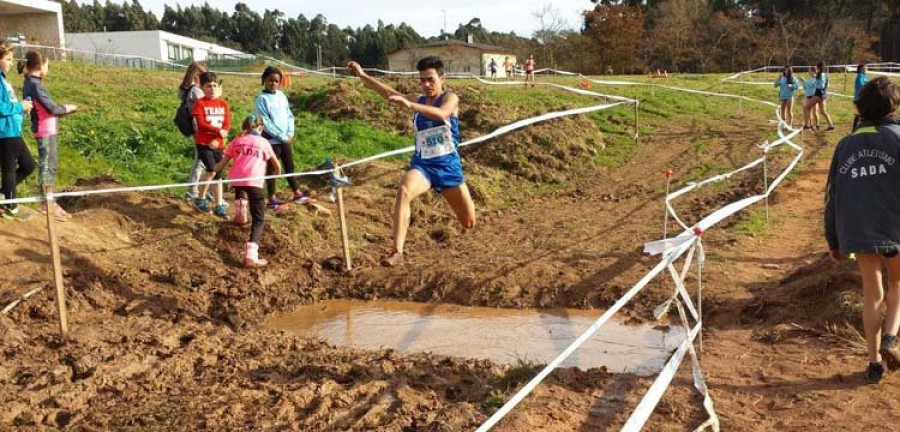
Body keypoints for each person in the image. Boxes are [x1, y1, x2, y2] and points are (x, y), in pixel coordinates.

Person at [346, 56, 476, 266]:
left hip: (448, 168)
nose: (426, 85)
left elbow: (442, 114)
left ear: (442, 78)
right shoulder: (418, 98)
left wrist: (411, 105)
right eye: (422, 80)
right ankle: (397, 250)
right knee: (404, 190)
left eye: (431, 79)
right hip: (423, 165)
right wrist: (362, 76)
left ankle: (449, 194)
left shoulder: (450, 98)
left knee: (468, 222)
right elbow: (388, 93)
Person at [825, 76, 900, 384]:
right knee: (899, 283)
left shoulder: (845, 145)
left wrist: (833, 238)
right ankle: (892, 338)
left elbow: (832, 195)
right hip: (894, 225)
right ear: (893, 107)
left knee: (872, 292)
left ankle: (873, 363)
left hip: (857, 227)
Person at [213, 113, 281, 267]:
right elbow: (276, 164)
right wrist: (276, 172)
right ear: (260, 127)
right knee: (258, 219)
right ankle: (251, 255)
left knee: (241, 188)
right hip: (255, 181)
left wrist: (212, 173)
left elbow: (222, 163)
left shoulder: (237, 140)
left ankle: (240, 215)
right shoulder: (263, 142)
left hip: (237, 179)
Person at [19, 50, 77, 221]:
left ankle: (48, 200)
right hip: (45, 129)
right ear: (40, 66)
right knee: (47, 166)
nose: (48, 69)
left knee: (49, 164)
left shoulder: (31, 82)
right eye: (47, 66)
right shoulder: (35, 84)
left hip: (45, 127)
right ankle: (46, 203)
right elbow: (51, 108)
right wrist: (67, 108)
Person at [254, 66, 307, 210]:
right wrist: (281, 136)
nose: (273, 83)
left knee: (289, 166)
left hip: (285, 139)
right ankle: (271, 198)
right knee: (272, 169)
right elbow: (265, 121)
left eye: (276, 81)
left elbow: (289, 115)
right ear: (264, 80)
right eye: (270, 80)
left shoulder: (281, 96)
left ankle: (296, 192)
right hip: (272, 141)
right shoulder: (261, 99)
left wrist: (290, 133)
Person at [0, 42, 34, 221]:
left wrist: (22, 108)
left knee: (28, 165)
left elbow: (10, 105)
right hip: (4, 132)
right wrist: (19, 105)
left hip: (14, 130)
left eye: (12, 59)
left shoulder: (4, 80)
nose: (12, 63)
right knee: (9, 170)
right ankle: (11, 208)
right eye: (8, 59)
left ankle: (3, 194)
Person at [191, 71, 230, 218]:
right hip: (203, 143)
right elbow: (201, 124)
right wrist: (217, 131)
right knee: (212, 169)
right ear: (202, 87)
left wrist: (219, 139)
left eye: (214, 85)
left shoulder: (224, 104)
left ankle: (219, 204)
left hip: (218, 144)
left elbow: (226, 125)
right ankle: (200, 198)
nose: (212, 89)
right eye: (208, 86)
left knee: (218, 175)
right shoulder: (200, 103)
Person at [179, 61, 208, 201]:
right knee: (201, 160)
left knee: (204, 160)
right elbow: (208, 103)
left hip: (198, 127)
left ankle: (201, 188)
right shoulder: (196, 91)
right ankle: (193, 190)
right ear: (196, 75)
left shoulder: (186, 89)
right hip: (201, 128)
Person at [805, 62, 835, 132]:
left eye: (816, 67)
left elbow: (821, 86)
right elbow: (827, 85)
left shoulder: (820, 75)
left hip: (819, 94)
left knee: (806, 107)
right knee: (823, 111)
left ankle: (807, 126)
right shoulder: (825, 75)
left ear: (818, 67)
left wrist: (816, 84)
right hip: (824, 94)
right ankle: (831, 126)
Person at [853, 64, 868, 131]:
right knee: (861, 114)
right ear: (860, 70)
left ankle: (858, 128)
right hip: (859, 98)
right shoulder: (860, 76)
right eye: (863, 68)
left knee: (863, 113)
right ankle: (855, 129)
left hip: (863, 97)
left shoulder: (864, 76)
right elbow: (862, 85)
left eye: (866, 68)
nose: (865, 69)